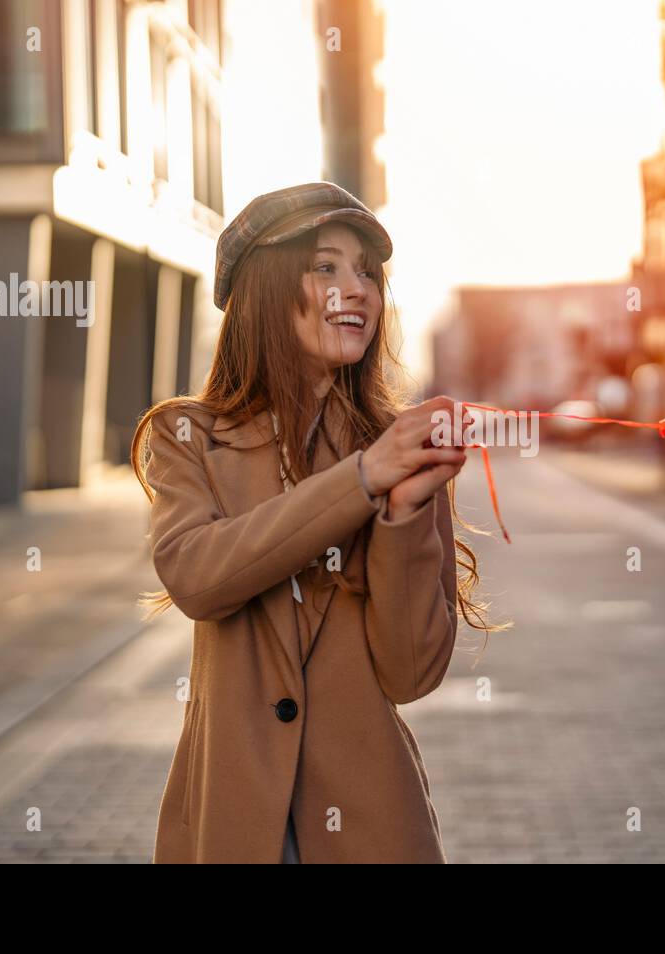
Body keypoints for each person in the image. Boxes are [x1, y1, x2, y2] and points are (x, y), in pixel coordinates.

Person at [131, 182, 506, 863]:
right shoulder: (188, 438)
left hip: (372, 828)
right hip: (233, 827)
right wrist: (359, 482)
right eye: (327, 266)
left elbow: (411, 672)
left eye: (367, 270)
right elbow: (197, 577)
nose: (356, 288)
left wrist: (400, 514)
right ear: (267, 289)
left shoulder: (397, 451)